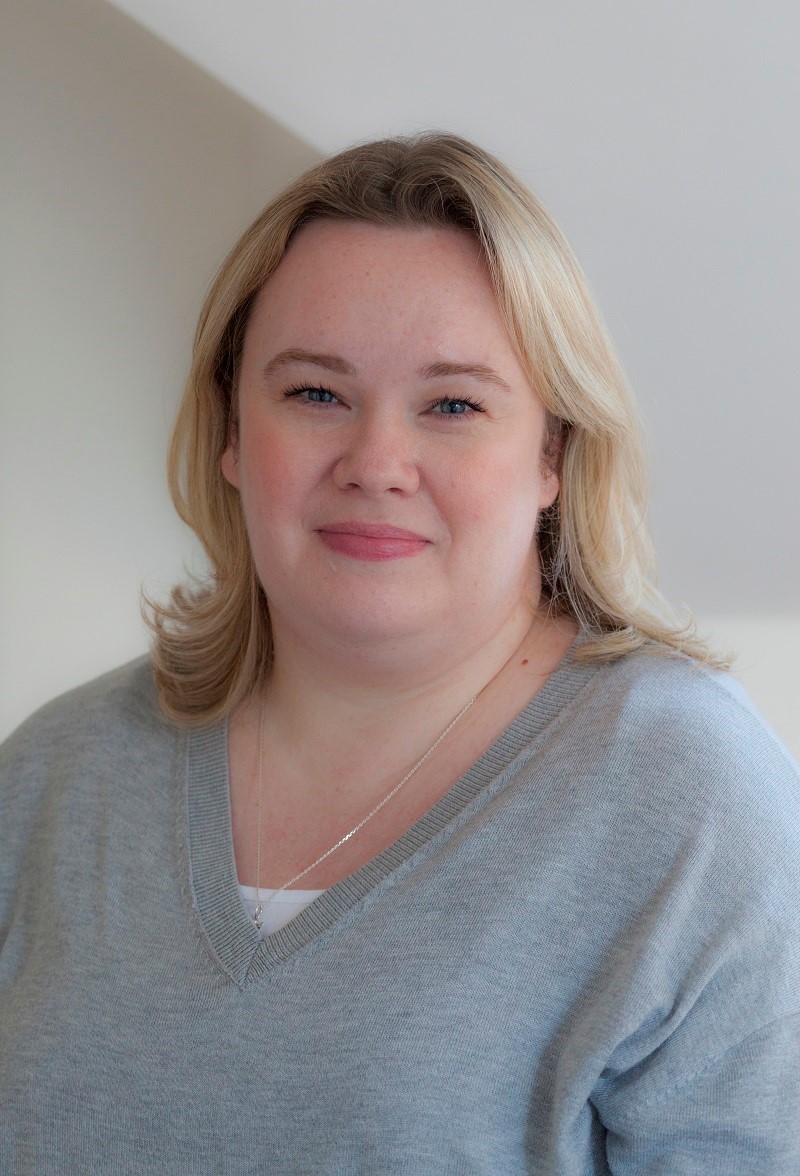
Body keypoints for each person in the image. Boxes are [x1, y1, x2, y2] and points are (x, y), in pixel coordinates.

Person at [1, 133, 798, 1175]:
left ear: (552, 453)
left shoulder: (689, 798)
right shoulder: (58, 774)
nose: (376, 463)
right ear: (232, 430)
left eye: (453, 405)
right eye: (314, 394)